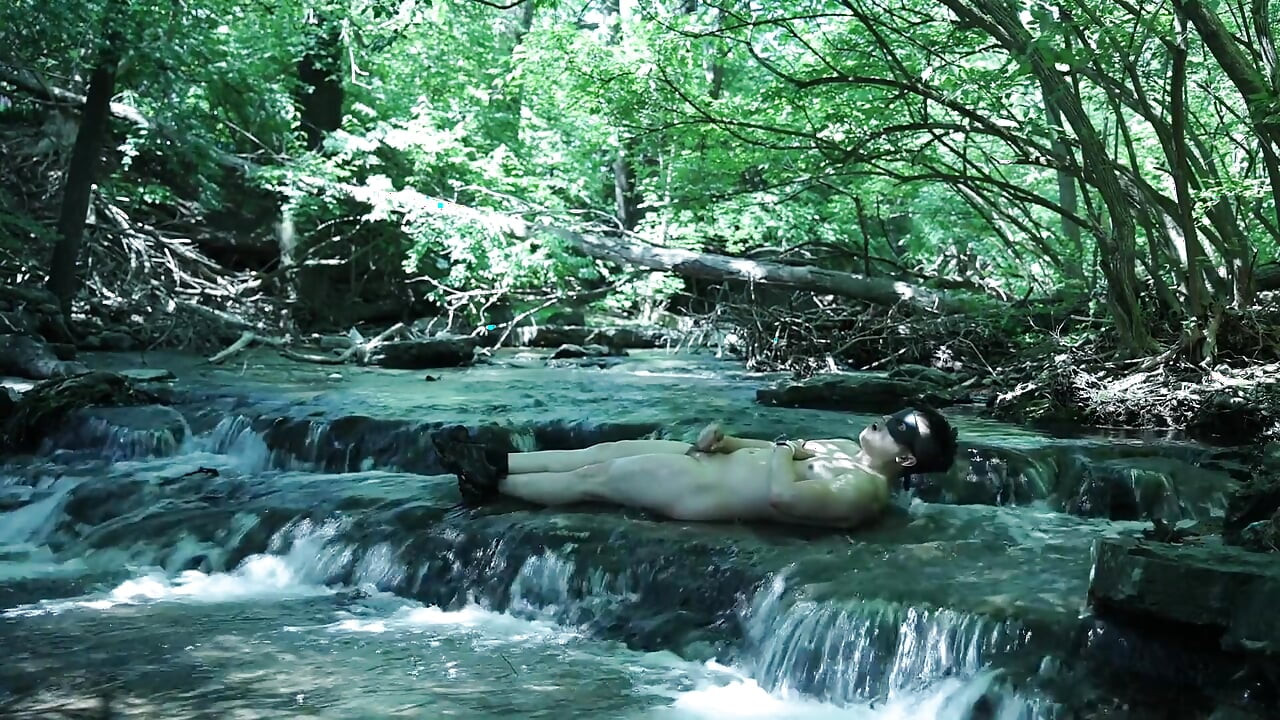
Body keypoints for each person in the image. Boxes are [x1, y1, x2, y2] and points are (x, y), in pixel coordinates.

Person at [431, 407, 958, 529]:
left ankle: (492, 482)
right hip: (706, 463)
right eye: (893, 417)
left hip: (698, 492)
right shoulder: (843, 446)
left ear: (906, 459)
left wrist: (778, 452)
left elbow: (786, 499)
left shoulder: (864, 491)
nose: (883, 424)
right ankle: (494, 459)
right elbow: (775, 443)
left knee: (593, 481)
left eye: (897, 430)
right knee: (605, 452)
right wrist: (728, 440)